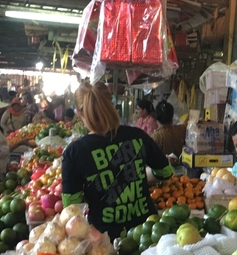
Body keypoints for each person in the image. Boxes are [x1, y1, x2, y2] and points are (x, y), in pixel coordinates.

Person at [61, 81, 174, 234]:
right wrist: (136, 174)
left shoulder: (74, 152)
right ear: (112, 104)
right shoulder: (138, 136)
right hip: (147, 233)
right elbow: (165, 172)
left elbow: (71, 207)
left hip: (103, 242)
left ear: (80, 113)